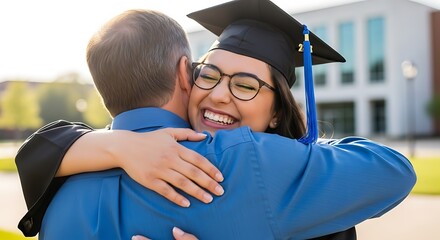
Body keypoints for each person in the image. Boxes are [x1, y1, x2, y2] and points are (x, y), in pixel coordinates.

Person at [15, 1, 416, 239]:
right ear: (185, 74)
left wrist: (113, 143)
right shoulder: (251, 165)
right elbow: (392, 170)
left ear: (278, 110)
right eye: (210, 74)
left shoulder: (60, 185)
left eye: (245, 85)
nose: (220, 93)